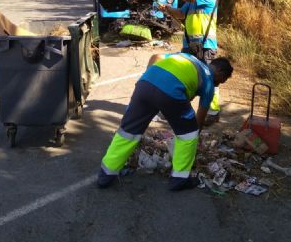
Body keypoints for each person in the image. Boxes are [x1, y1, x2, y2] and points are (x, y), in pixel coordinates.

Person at [97, 54, 233, 191]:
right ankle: (180, 179)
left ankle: (106, 174)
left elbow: (156, 56)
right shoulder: (209, 82)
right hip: (170, 91)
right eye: (223, 80)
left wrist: (149, 79)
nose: (219, 84)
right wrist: (195, 139)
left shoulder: (188, 58)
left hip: (144, 84)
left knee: (128, 131)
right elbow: (200, 117)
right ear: (220, 73)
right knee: (189, 134)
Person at [159, 0, 221, 124]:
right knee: (184, 77)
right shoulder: (191, 0)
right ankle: (181, 110)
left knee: (209, 79)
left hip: (206, 45)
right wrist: (167, 9)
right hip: (189, 45)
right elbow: (180, 13)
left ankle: (212, 113)